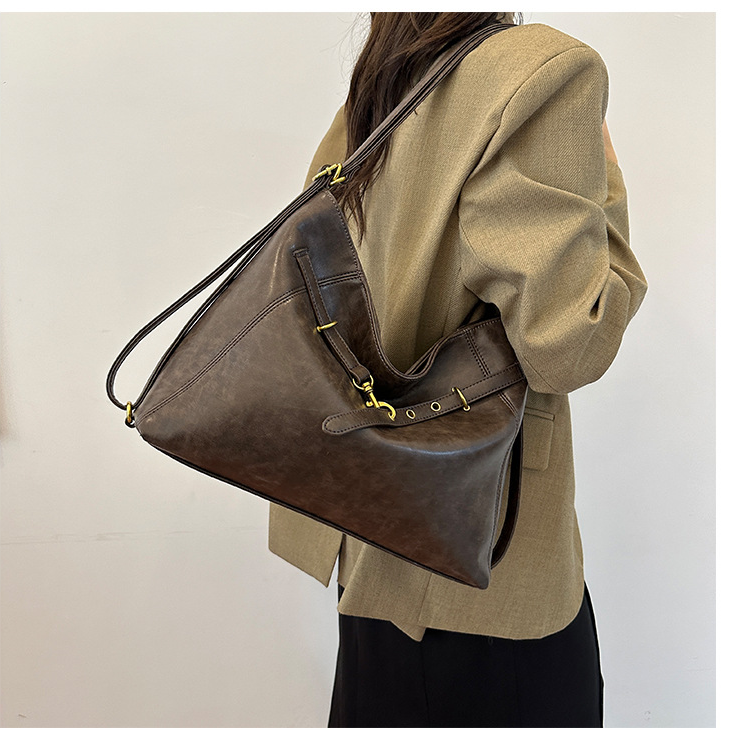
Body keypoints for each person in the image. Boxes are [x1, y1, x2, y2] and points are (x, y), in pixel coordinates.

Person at [268, 12, 648, 728]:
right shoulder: (543, 70)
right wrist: (607, 181)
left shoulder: (385, 85)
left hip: (369, 538)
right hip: (481, 568)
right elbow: (570, 344)